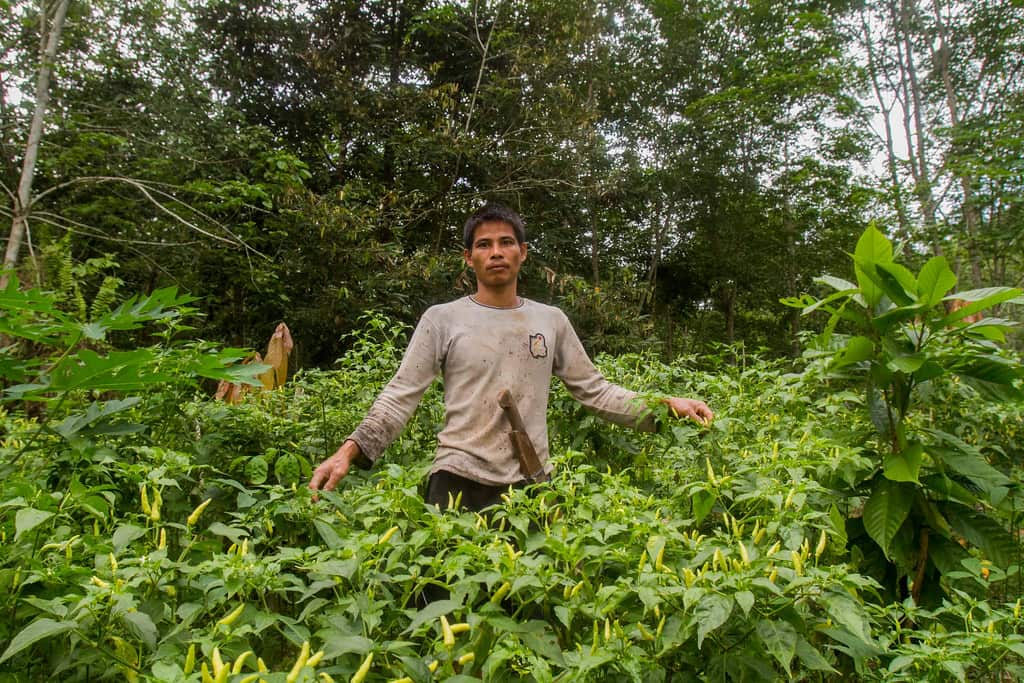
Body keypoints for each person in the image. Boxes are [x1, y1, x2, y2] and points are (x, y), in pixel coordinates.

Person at [308, 203, 713, 511]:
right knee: (446, 610)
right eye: (484, 244)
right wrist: (347, 452)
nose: (496, 252)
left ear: (523, 252)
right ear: (469, 258)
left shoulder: (550, 320)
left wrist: (666, 407)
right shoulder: (443, 319)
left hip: (531, 484)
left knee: (527, 614)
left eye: (505, 243)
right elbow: (400, 396)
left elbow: (596, 392)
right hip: (455, 480)